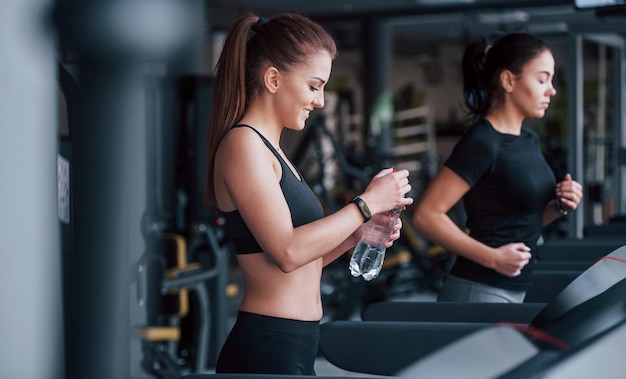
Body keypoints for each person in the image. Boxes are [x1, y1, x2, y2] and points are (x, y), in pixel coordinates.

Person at [203, 13, 413, 375]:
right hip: (268, 346)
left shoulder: (273, 150)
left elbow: (302, 261)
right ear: (273, 79)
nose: (320, 101)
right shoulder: (243, 145)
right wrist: (366, 204)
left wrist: (355, 236)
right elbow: (287, 251)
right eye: (314, 86)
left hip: (297, 342)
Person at [412, 33, 582, 303]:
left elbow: (522, 221)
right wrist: (493, 258)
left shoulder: (528, 139)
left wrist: (560, 205)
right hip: (478, 290)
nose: (552, 90)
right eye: (542, 79)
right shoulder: (483, 142)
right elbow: (426, 215)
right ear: (508, 80)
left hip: (516, 288)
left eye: (551, 80)